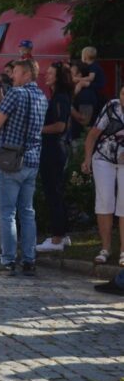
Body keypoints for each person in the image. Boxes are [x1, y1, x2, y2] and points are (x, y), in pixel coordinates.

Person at [0, 59, 48, 276]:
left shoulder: (15, 94)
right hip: (32, 159)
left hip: (10, 161)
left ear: (27, 74)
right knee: (27, 213)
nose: (12, 76)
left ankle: (8, 261)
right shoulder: (42, 96)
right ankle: (29, 260)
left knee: (7, 214)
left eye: (17, 72)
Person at [81, 85, 124, 267]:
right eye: (123, 93)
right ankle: (105, 248)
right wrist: (87, 159)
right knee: (104, 201)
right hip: (104, 157)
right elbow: (93, 134)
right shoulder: (112, 107)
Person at [35, 62, 73, 253]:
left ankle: (57, 237)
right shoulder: (57, 96)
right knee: (55, 191)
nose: (46, 75)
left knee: (53, 192)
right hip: (53, 148)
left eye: (50, 73)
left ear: (58, 77)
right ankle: (63, 233)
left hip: (54, 149)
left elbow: (60, 125)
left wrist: (37, 129)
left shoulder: (60, 98)